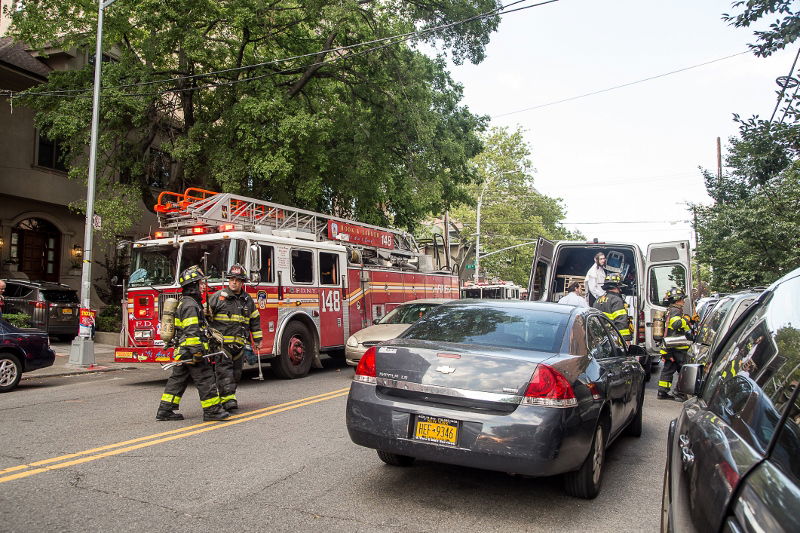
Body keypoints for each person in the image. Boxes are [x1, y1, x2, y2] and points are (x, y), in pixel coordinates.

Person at [156, 265, 230, 421]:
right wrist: (197, 352)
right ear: (194, 286)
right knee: (205, 378)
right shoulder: (190, 305)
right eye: (201, 283)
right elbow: (191, 331)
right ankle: (212, 411)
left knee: (178, 380)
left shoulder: (187, 302)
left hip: (183, 351)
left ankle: (165, 410)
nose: (203, 286)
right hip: (191, 350)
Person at [208, 263, 262, 411]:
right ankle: (228, 401)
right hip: (222, 345)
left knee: (236, 374)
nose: (233, 282)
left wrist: (257, 340)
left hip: (239, 346)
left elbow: (254, 320)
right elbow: (205, 317)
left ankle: (228, 396)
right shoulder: (218, 298)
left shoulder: (247, 300)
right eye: (231, 279)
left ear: (242, 282)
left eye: (237, 280)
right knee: (224, 372)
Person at [657, 287, 692, 400]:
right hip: (677, 346)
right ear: (677, 299)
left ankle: (662, 392)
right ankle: (679, 392)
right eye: (682, 298)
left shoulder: (670, 309)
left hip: (670, 346)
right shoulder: (676, 310)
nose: (684, 301)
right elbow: (676, 324)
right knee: (684, 369)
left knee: (668, 369)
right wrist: (687, 319)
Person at [594, 272, 631, 343]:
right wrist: (626, 340)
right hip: (614, 340)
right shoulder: (616, 300)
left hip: (600, 340)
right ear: (617, 287)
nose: (620, 290)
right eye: (620, 288)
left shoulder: (597, 300)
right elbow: (621, 322)